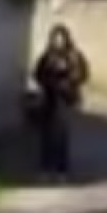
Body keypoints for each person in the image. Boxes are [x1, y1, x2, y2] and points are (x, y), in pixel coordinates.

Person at [26, 22, 90, 178]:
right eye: (56, 38)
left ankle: (62, 169)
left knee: (62, 136)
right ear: (52, 40)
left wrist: (70, 81)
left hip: (66, 99)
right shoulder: (48, 56)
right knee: (46, 135)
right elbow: (37, 73)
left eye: (61, 38)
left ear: (66, 39)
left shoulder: (74, 55)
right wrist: (48, 81)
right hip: (49, 97)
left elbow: (83, 73)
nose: (59, 42)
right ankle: (45, 168)